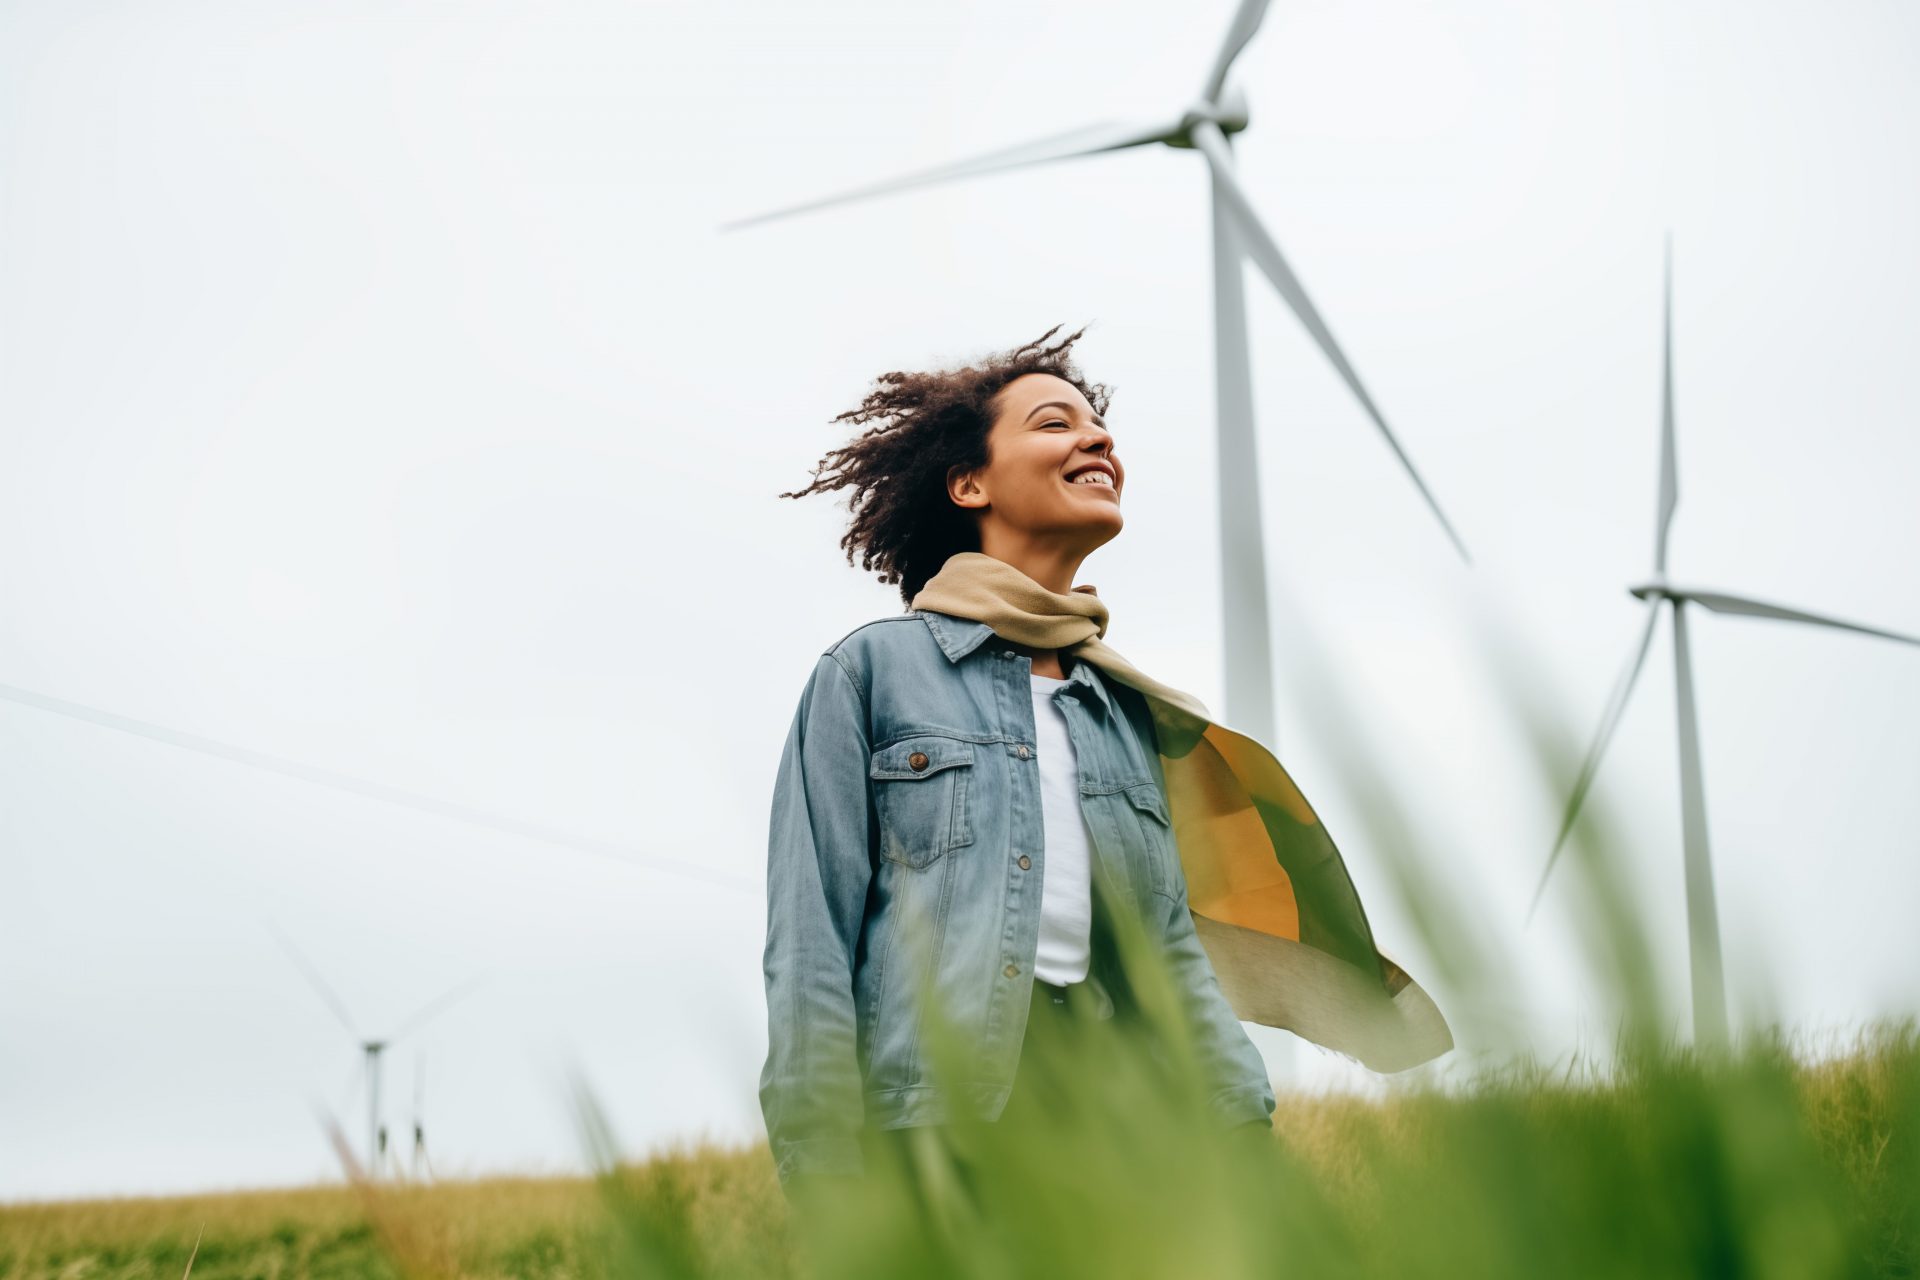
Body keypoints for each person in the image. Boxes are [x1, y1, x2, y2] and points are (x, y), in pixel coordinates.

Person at [759, 325, 1280, 1212]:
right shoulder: (870, 676)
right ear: (970, 483)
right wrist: (823, 1168)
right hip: (933, 1132)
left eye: (1101, 428)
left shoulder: (1121, 711)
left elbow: (1169, 951)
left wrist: (1245, 1126)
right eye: (1055, 423)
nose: (1099, 440)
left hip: (1121, 1134)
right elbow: (811, 943)